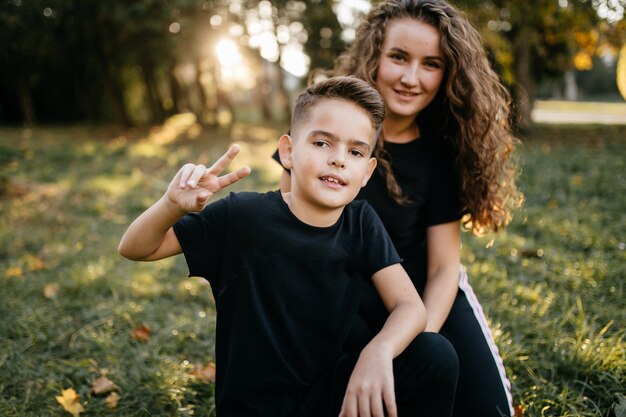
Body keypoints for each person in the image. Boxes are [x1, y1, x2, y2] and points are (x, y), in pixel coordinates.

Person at [119, 76, 458, 417]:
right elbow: (136, 248)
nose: (339, 159)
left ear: (367, 171)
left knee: (434, 355)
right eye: (323, 143)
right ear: (288, 152)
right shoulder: (242, 215)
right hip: (257, 408)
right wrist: (172, 205)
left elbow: (410, 307)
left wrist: (379, 351)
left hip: (331, 399)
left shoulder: (361, 222)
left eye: (355, 151)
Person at [276, 1, 523, 416]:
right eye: (398, 57)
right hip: (345, 297)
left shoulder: (442, 149)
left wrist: (411, 345)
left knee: (489, 410)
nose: (412, 78)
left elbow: (445, 269)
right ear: (375, 56)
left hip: (425, 299)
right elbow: (289, 236)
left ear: (449, 73)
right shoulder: (325, 128)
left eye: (431, 64)